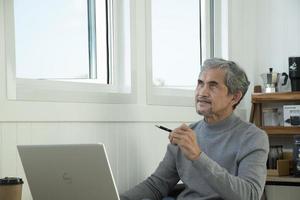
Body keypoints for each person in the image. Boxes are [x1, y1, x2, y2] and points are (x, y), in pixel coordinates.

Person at [120, 58, 269, 200]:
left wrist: (198, 157)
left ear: (235, 97)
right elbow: (156, 186)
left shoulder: (253, 137)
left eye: (213, 85)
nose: (202, 93)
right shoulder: (186, 135)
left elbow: (249, 195)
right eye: (200, 83)